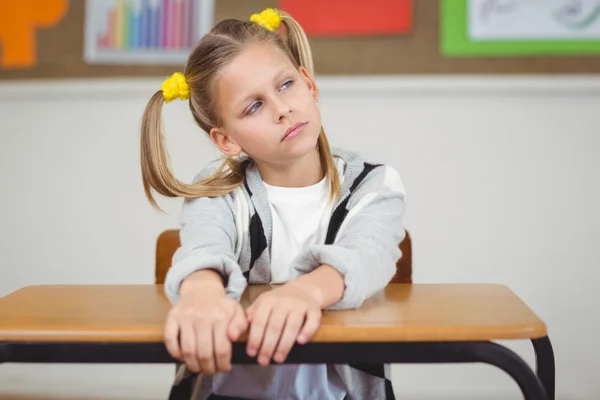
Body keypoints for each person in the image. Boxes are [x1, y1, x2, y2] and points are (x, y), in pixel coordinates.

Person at [140, 7, 407, 400]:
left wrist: (306, 292)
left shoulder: (373, 183)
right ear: (227, 141)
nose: (282, 109)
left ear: (309, 85)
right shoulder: (217, 190)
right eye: (254, 106)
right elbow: (204, 247)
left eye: (285, 85)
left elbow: (369, 254)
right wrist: (201, 294)